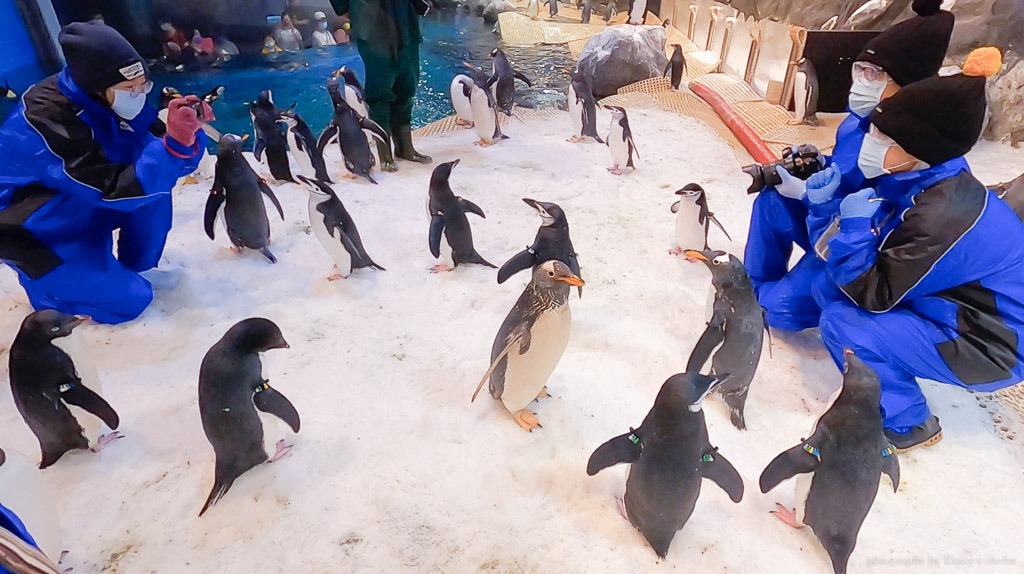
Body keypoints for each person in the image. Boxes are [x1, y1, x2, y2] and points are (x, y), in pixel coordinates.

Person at [814, 48, 1024, 451]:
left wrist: (854, 225)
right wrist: (825, 207)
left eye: (884, 138)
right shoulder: (920, 181)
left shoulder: (941, 215)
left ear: (918, 149)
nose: (870, 142)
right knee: (830, 292)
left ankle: (909, 422)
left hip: (992, 342)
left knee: (846, 323)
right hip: (958, 308)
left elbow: (873, 293)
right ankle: (890, 369)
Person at [745, 0, 956, 331]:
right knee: (772, 201)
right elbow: (848, 175)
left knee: (777, 309)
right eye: (860, 70)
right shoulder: (860, 122)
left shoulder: (924, 149)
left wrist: (814, 199)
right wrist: (816, 168)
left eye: (874, 74)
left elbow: (877, 231)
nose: (861, 81)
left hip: (860, 252)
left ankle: (774, 304)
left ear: (909, 85)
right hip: (832, 222)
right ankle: (750, 289)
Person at [0, 21, 211, 324]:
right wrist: (171, 149)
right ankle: (49, 291)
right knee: (131, 303)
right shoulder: (47, 119)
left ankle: (128, 267)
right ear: (97, 87)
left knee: (155, 189)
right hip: (32, 230)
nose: (139, 95)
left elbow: (168, 161)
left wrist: (187, 135)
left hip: (76, 203)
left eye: (143, 86)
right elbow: (112, 190)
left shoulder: (117, 99)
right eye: (130, 89)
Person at [333, 0, 433, 170]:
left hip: (405, 19)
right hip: (373, 21)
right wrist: (343, 7)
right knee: (380, 88)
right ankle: (384, 154)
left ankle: (405, 148)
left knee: (407, 82)